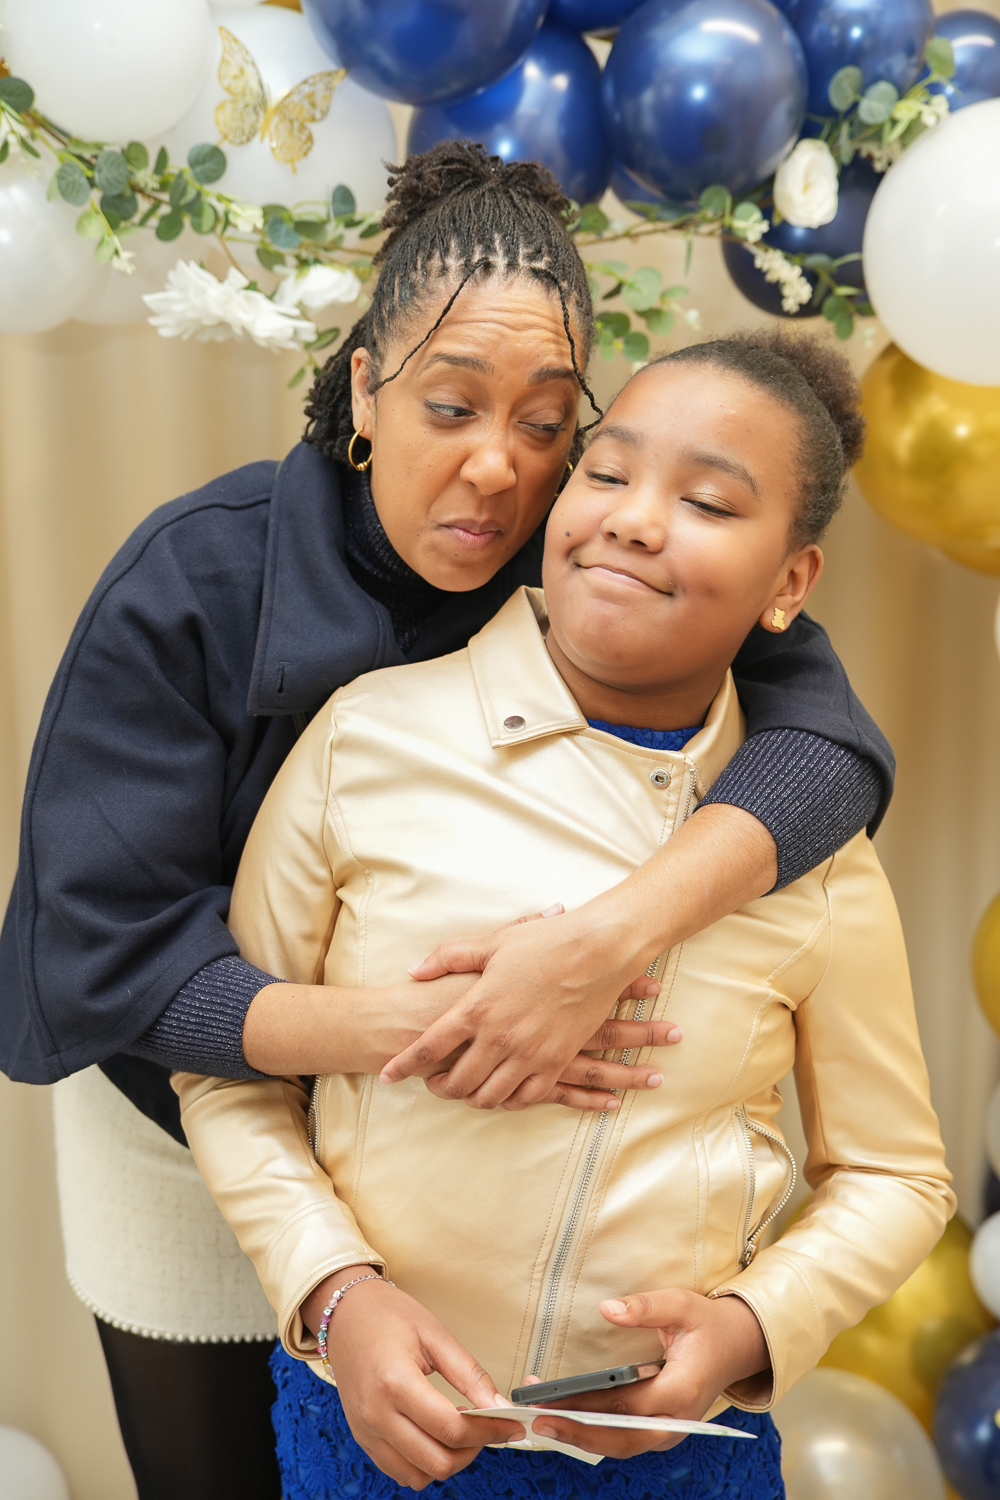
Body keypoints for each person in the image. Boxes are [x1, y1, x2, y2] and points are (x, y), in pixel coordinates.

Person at [0, 147, 890, 1500]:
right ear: (364, 388)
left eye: (546, 425)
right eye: (450, 405)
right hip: (188, 1103)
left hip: (450, 1152)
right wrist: (434, 1031)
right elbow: (105, 955)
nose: (496, 468)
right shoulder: (194, 578)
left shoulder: (594, 546)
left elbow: (826, 752)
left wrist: (597, 948)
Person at [176, 328, 953, 1500]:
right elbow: (231, 1066)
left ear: (789, 585)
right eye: (606, 471)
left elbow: (896, 1176)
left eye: (705, 502)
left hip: (674, 1458)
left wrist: (749, 1328)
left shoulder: (814, 844)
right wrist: (335, 1294)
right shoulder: (364, 740)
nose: (633, 520)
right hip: (372, 1429)